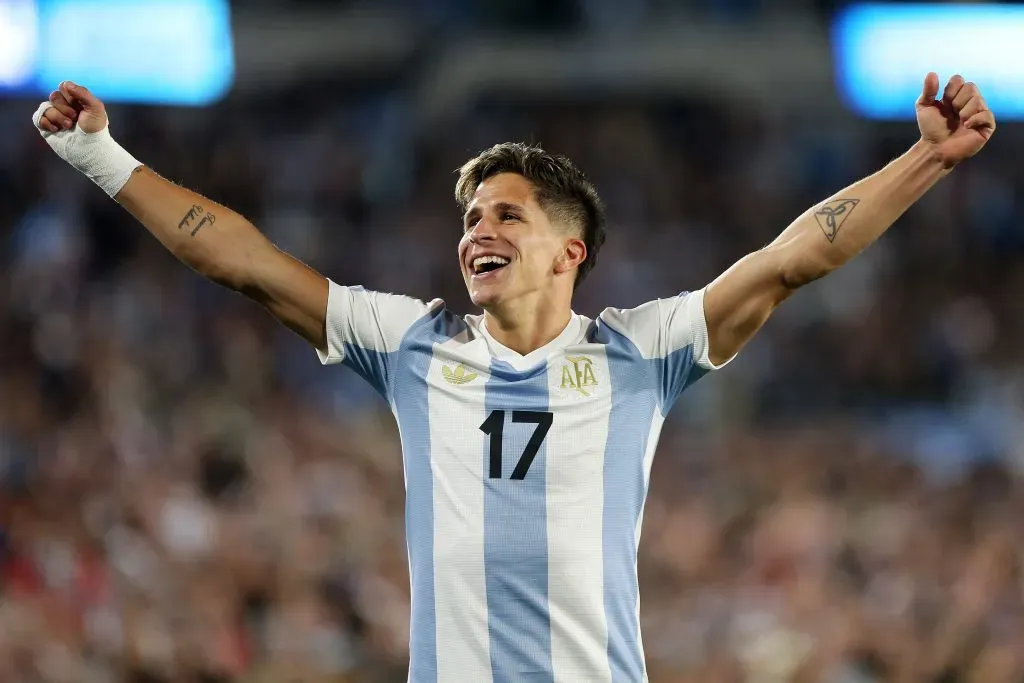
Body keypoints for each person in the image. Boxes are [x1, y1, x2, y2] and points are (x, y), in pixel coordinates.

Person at [32, 72, 994, 682]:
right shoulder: (409, 342)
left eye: (506, 216)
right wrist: (100, 155)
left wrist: (924, 160)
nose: (476, 232)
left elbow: (793, 260)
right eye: (469, 220)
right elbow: (241, 260)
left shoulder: (640, 350)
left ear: (569, 250)